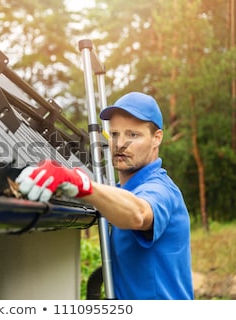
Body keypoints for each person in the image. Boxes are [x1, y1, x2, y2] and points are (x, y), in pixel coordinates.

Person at [16, 92, 194, 300]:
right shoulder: (122, 191)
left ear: (157, 138)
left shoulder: (161, 189)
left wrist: (80, 183)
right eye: (115, 134)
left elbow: (139, 213)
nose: (120, 144)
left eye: (133, 135)